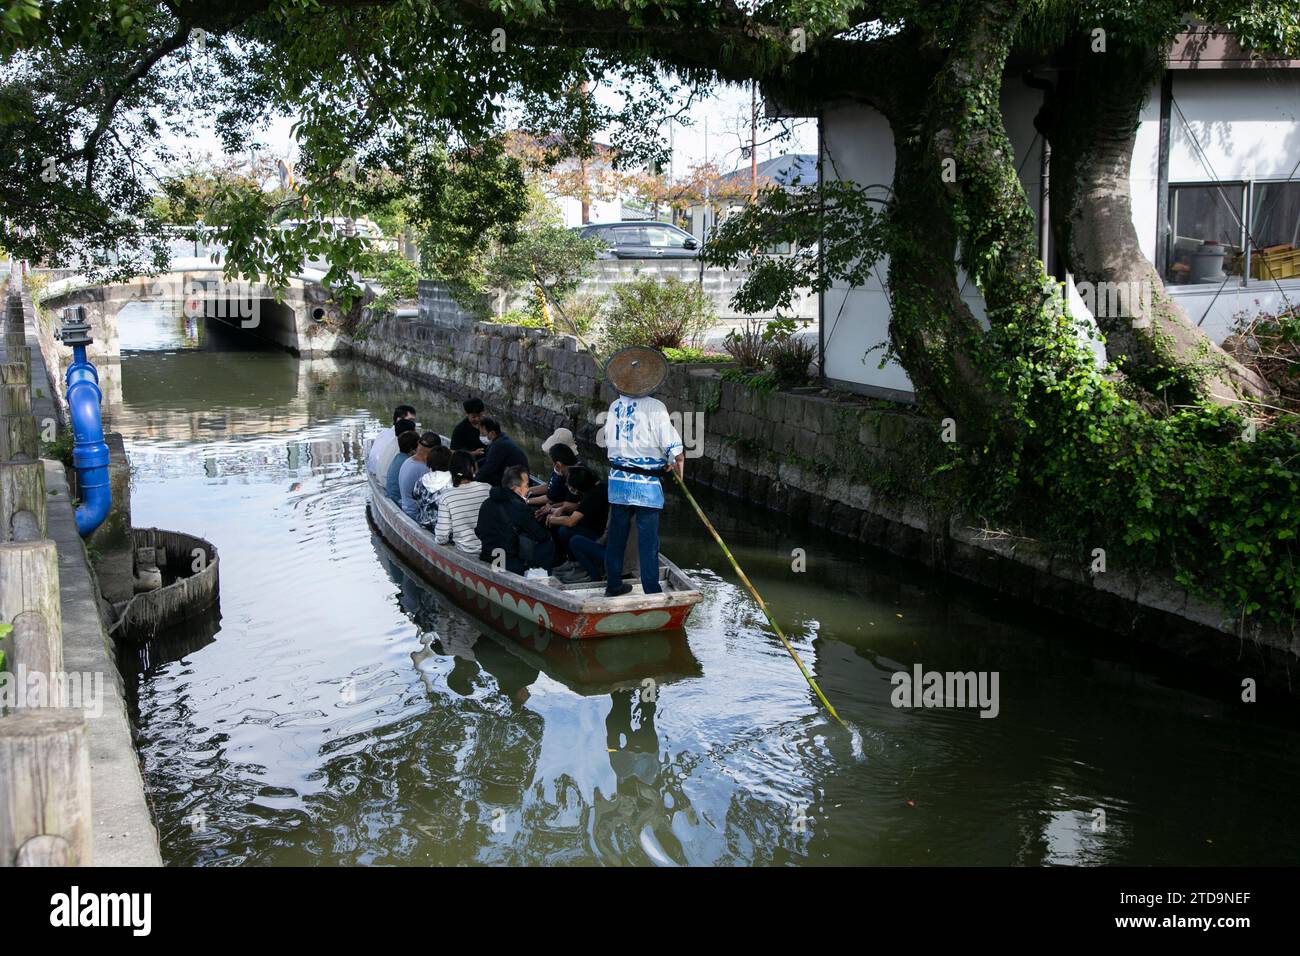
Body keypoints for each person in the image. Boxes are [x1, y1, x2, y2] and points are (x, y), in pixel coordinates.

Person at [604, 391, 683, 597]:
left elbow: (610, 442)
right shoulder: (655, 406)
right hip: (645, 486)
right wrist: (676, 467)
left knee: (616, 538)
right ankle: (652, 591)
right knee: (648, 542)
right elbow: (675, 451)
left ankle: (613, 585)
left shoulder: (614, 406)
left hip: (618, 482)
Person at [475, 465, 555, 574]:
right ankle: (543, 579)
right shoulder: (519, 507)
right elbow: (540, 536)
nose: (528, 489)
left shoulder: (487, 503)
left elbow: (478, 531)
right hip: (510, 563)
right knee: (548, 543)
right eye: (526, 485)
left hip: (488, 556)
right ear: (515, 488)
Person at [547, 466, 608, 582]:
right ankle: (575, 562)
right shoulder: (599, 487)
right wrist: (561, 508)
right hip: (595, 528)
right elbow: (579, 506)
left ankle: (586, 570)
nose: (567, 485)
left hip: (599, 535)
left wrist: (552, 519)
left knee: (565, 532)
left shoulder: (592, 496)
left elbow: (571, 521)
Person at [434, 452, 492, 555]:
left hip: (466, 550)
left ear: (451, 471)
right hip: (490, 549)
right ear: (473, 469)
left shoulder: (447, 497)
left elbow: (442, 537)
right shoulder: (487, 488)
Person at [474, 418, 528, 487]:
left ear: (492, 433)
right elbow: (488, 459)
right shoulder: (501, 439)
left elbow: (487, 469)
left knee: (490, 485)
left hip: (517, 482)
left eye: (482, 433)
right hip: (515, 475)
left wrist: (473, 480)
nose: (481, 436)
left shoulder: (499, 445)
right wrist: (476, 463)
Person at [400, 432, 441, 518]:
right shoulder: (424, 469)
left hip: (406, 508)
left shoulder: (408, 461)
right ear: (434, 451)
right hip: (416, 514)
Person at [527, 442, 579, 510]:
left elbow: (551, 499)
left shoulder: (571, 475)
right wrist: (527, 491)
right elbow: (549, 486)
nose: (552, 465)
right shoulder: (560, 469)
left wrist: (525, 500)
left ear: (558, 464)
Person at [413, 445, 454, 530]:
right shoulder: (453, 482)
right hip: (445, 531)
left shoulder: (421, 481)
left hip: (425, 524)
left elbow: (415, 496)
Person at [368, 405, 417, 476]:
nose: (413, 424)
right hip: (384, 475)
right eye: (410, 420)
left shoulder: (384, 432)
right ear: (399, 420)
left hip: (376, 471)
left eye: (413, 421)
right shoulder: (402, 438)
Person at [386, 429, 419, 503]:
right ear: (412, 449)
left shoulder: (398, 457)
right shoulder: (409, 463)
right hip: (398, 502)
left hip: (392, 498)